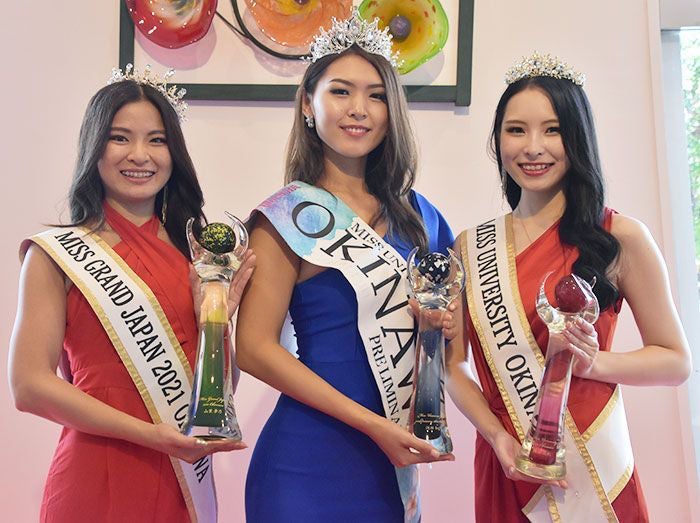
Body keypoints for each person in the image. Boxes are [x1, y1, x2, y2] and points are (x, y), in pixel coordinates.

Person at [447, 52, 691, 522]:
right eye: (516, 130)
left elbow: (675, 360)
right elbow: (454, 365)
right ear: (498, 140)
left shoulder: (618, 236)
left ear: (577, 137)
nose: (532, 147)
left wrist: (594, 363)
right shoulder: (471, 247)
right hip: (506, 459)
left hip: (591, 462)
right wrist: (496, 437)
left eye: (552, 130)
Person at [8, 66, 254, 523]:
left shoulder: (199, 257)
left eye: (157, 140)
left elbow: (220, 396)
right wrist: (150, 435)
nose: (140, 155)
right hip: (94, 473)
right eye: (120, 138)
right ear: (94, 146)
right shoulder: (56, 255)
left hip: (182, 479)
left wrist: (215, 324)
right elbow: (29, 387)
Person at [236, 11, 455, 523]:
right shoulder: (287, 216)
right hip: (304, 466)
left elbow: (453, 345)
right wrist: (373, 426)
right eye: (340, 91)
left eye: (376, 95)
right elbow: (253, 348)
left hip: (391, 466)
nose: (359, 109)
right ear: (307, 104)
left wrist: (440, 330)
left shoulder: (423, 218)